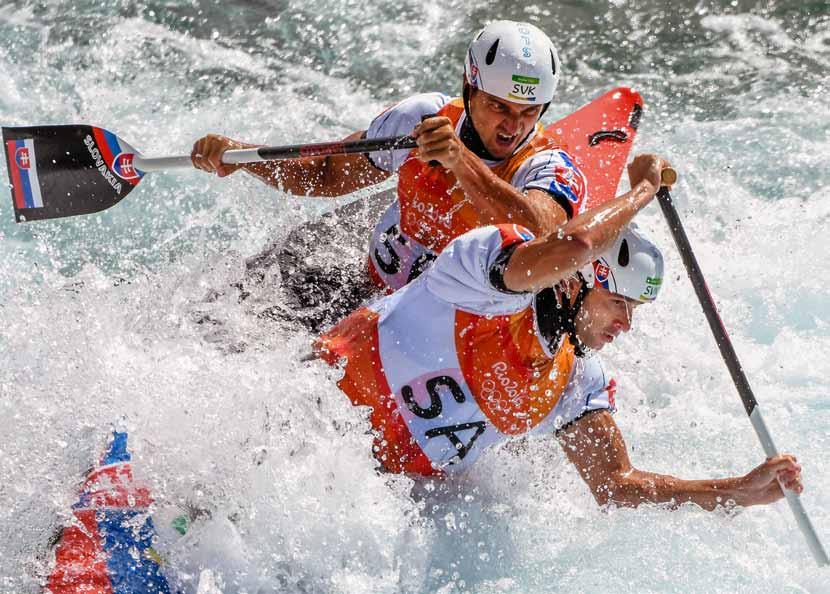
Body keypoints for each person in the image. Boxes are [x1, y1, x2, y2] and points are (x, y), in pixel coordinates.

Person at [311, 155, 803, 509]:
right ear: (575, 280)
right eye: (617, 303)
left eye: (633, 310)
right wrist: (643, 192)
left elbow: (616, 485)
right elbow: (577, 242)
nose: (625, 324)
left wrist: (734, 490)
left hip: (370, 494)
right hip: (307, 423)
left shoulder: (577, 378)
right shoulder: (486, 271)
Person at [191, 21, 591, 329]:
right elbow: (327, 175)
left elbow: (541, 236)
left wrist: (459, 160)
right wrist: (243, 157)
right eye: (498, 106)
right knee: (222, 322)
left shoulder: (548, 166)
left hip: (451, 335)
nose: (512, 126)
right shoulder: (422, 118)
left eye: (529, 111)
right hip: (370, 292)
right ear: (469, 88)